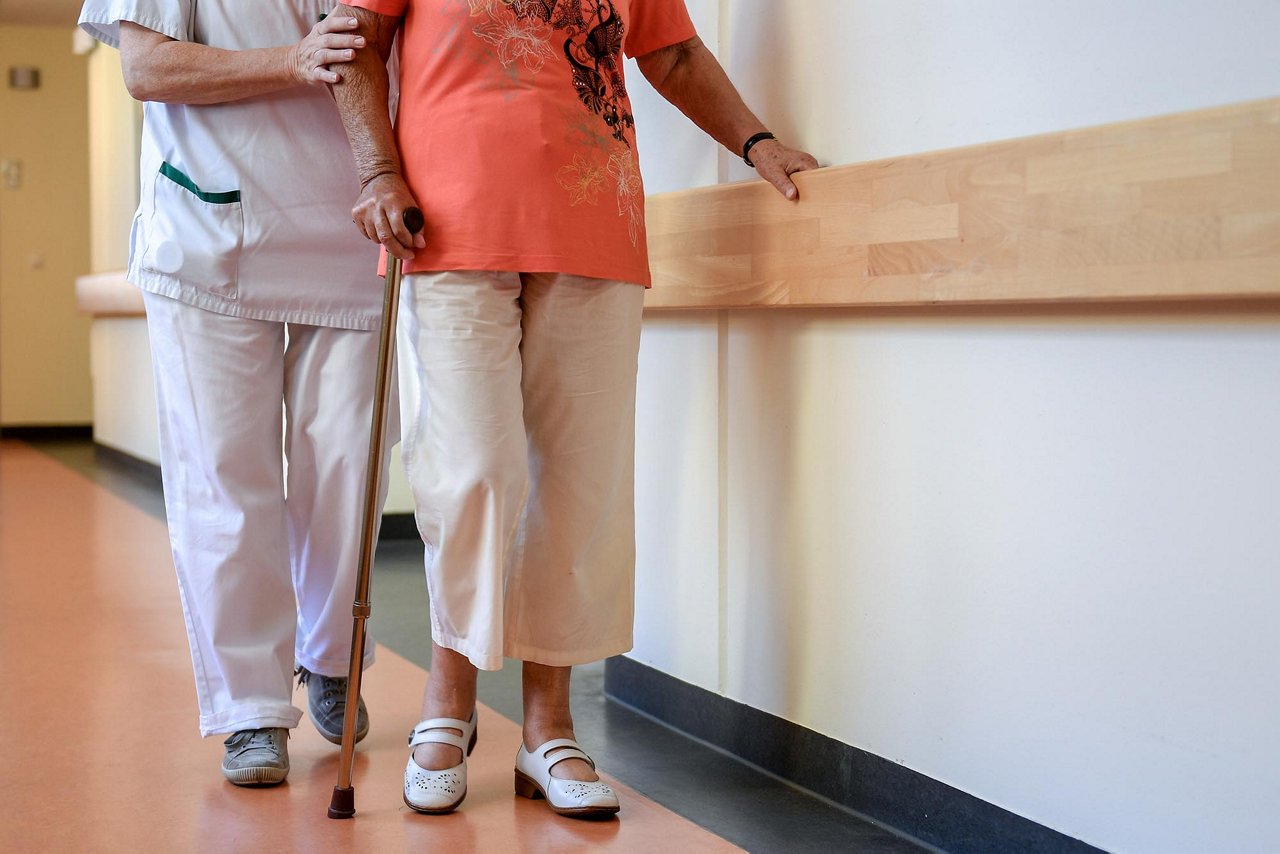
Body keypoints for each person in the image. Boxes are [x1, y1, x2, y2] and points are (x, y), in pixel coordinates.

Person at [329, 0, 818, 817]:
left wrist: (755, 141)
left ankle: (547, 728)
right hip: (445, 228)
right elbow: (357, 44)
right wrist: (378, 171)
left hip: (595, 222)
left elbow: (674, 54)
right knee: (471, 470)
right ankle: (448, 700)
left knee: (576, 480)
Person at [77, 1, 396, 786]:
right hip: (206, 233)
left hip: (351, 228)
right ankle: (251, 709)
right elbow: (147, 68)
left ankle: (329, 656)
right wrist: (294, 60)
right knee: (225, 478)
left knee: (349, 472)